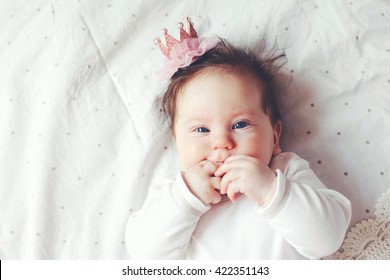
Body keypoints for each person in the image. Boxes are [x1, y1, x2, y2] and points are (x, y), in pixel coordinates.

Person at [125, 18, 351, 259]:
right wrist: (186, 197)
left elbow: (327, 240)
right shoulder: (173, 193)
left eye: (240, 124)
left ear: (275, 137)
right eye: (201, 130)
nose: (221, 143)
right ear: (176, 141)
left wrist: (269, 191)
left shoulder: (284, 172)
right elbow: (145, 256)